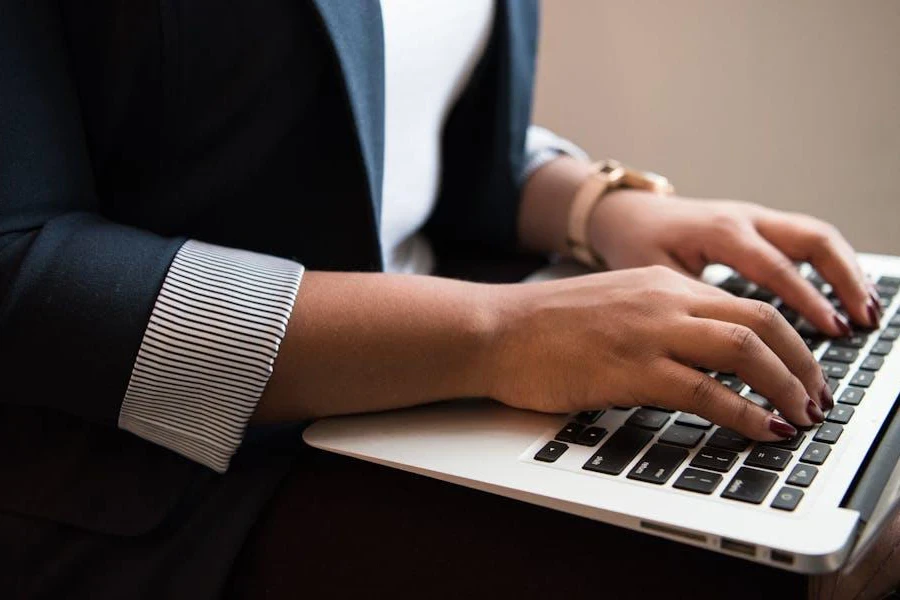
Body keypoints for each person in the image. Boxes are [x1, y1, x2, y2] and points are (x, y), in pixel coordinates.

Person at [0, 1, 896, 598]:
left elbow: (406, 132)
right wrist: (497, 335)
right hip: (152, 477)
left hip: (438, 375)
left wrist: (594, 205)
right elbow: (21, 265)